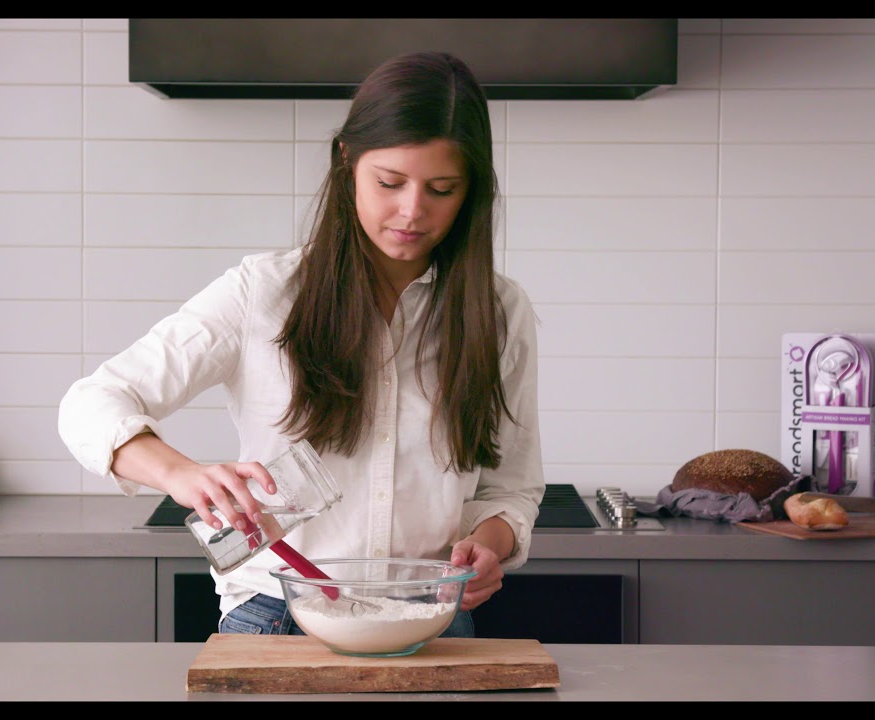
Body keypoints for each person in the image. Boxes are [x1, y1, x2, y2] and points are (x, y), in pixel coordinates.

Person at [58, 50, 544, 637]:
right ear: (347, 161)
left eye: (442, 188)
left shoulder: (499, 311)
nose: (412, 211)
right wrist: (181, 474)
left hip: (429, 616)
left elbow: (511, 486)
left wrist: (492, 541)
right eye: (389, 182)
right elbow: (92, 402)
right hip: (275, 613)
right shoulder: (260, 293)